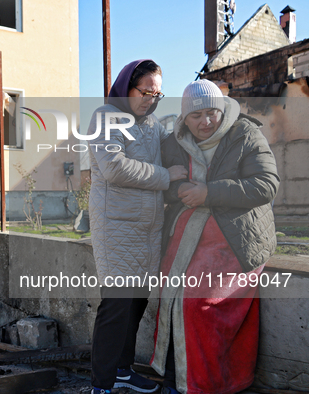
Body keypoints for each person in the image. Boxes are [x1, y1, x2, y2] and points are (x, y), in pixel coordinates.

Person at [152, 80, 279, 394]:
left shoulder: (246, 134)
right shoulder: (173, 142)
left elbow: (266, 185)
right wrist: (173, 185)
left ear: (223, 110)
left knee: (199, 307)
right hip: (185, 237)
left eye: (212, 113)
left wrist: (208, 192)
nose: (206, 122)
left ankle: (207, 384)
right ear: (184, 118)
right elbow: (159, 184)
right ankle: (175, 380)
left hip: (235, 238)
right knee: (168, 300)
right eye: (196, 116)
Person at [88, 59, 188, 394]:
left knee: (137, 302)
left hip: (148, 231)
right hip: (117, 228)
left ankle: (122, 369)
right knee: (116, 305)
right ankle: (101, 385)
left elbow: (174, 144)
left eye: (157, 94)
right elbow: (114, 167)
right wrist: (165, 176)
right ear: (126, 87)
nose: (151, 99)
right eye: (146, 91)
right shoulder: (105, 117)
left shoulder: (152, 125)